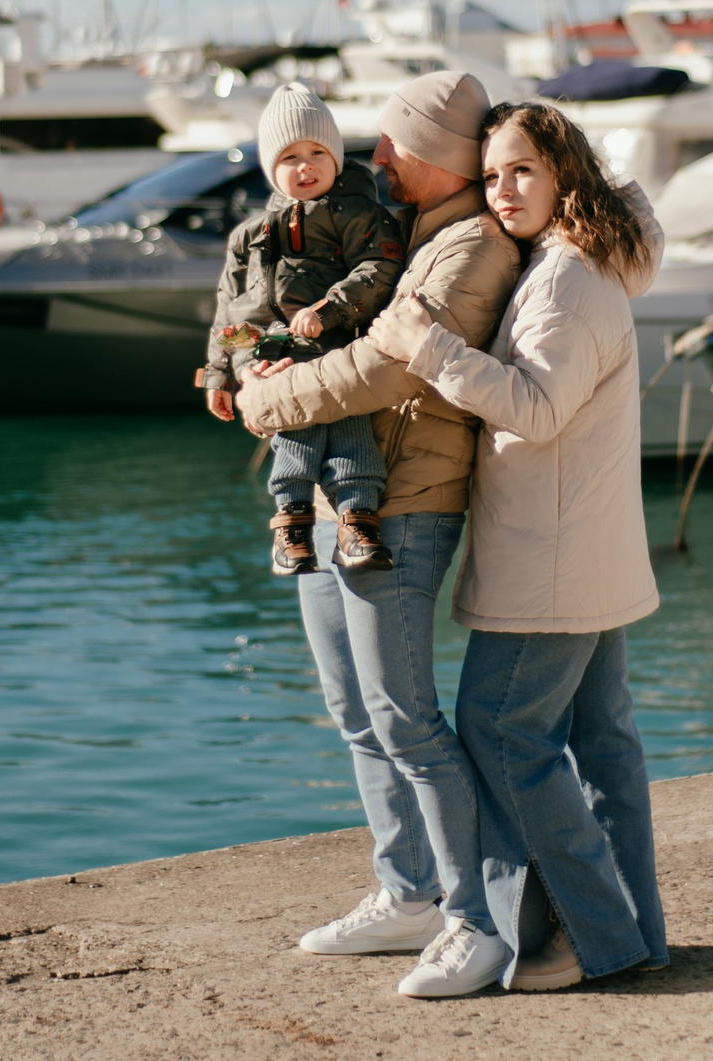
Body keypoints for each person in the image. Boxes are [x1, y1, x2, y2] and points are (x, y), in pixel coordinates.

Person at [367, 101, 668, 993]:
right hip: (589, 551)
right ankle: (632, 934)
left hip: (554, 558)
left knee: (500, 730)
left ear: (566, 174)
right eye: (492, 173)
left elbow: (535, 407)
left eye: (522, 169)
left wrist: (429, 346)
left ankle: (589, 931)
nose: (502, 189)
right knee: (603, 744)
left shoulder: (568, 278)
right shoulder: (590, 258)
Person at [235, 70, 523, 999]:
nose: (378, 159)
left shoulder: (470, 245)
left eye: (394, 146)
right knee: (356, 714)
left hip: (405, 499)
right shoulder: (403, 235)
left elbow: (381, 369)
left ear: (438, 157)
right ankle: (407, 893)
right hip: (335, 496)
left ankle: (473, 922)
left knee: (405, 716)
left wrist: (264, 397)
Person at [203, 83, 406, 574]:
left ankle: (358, 519)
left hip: (339, 346)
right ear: (272, 168)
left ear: (336, 158)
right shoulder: (248, 236)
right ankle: (292, 525)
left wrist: (329, 310)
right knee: (293, 430)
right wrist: (220, 374)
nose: (305, 165)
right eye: (290, 156)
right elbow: (230, 310)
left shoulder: (360, 214)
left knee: (350, 428)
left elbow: (378, 269)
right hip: (274, 353)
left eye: (317, 152)